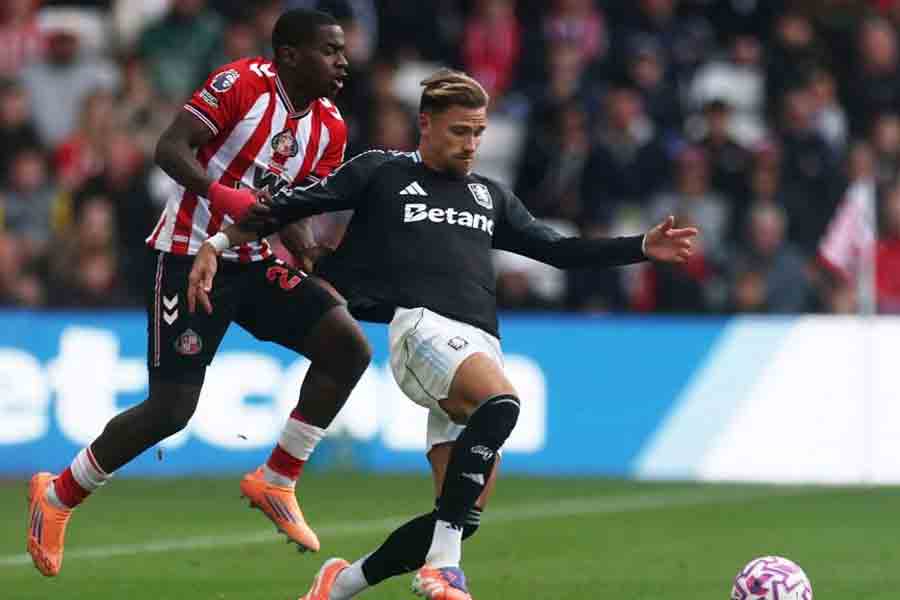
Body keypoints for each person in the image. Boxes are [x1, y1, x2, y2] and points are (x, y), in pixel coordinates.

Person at [188, 69, 697, 600]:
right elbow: (290, 206)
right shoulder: (383, 172)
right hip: (422, 331)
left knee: (460, 512)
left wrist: (640, 247)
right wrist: (217, 244)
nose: (471, 144)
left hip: (479, 344)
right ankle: (443, 571)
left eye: (478, 132)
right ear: (425, 125)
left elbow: (557, 250)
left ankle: (342, 583)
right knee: (501, 403)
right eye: (460, 131)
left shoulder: (489, 195)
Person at [26, 9, 372, 577]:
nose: (343, 61)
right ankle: (59, 496)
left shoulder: (330, 126)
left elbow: (290, 208)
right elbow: (169, 148)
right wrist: (220, 193)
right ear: (288, 54)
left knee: (348, 348)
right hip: (186, 255)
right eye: (330, 50)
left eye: (343, 51)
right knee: (171, 410)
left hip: (254, 261)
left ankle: (278, 477)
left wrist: (307, 251)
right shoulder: (240, 84)